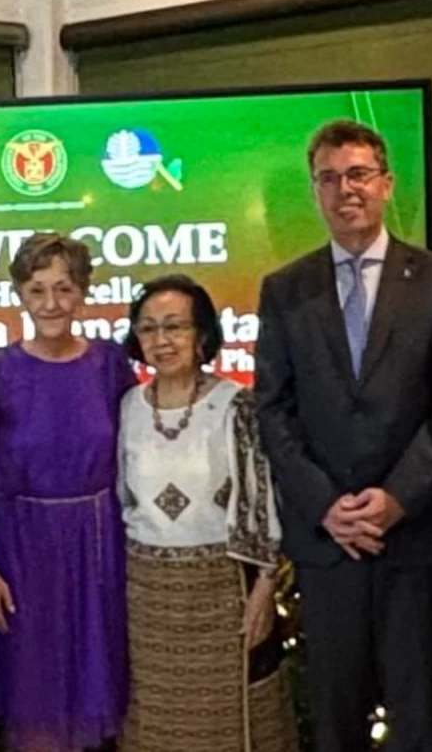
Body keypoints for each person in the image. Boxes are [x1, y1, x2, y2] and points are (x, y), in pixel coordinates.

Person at [255, 120, 432, 752]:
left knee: (416, 718)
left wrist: (396, 498)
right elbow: (273, 410)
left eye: (357, 174)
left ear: (386, 183)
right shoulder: (285, 289)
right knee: (333, 716)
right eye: (329, 178)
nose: (344, 190)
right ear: (316, 192)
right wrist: (328, 506)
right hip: (328, 542)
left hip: (414, 533)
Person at [0, 233, 135, 752]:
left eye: (64, 288)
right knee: (34, 702)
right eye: (38, 290)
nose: (52, 303)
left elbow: (134, 457)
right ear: (19, 294)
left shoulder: (108, 363)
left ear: (83, 292)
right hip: (22, 555)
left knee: (96, 692)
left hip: (99, 549)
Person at [117, 275, 296, 752]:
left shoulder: (235, 406)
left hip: (223, 592)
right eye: (149, 328)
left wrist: (263, 589)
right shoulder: (128, 408)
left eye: (175, 326)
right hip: (148, 596)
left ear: (202, 336)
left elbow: (261, 503)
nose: (162, 340)